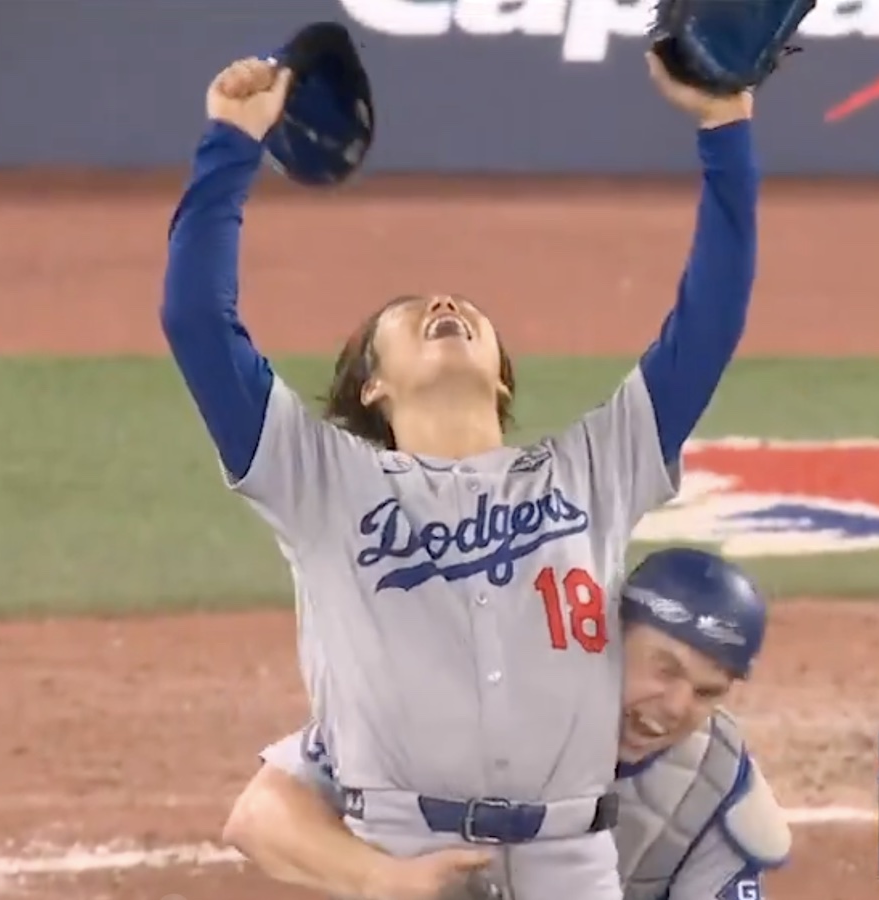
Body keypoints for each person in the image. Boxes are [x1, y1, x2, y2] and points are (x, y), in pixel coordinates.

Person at [160, 46, 760, 900]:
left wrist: (723, 126)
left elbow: (713, 314)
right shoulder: (318, 481)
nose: (444, 305)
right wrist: (230, 144)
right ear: (373, 383)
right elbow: (194, 318)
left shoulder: (602, 465)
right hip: (403, 850)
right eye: (410, 316)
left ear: (504, 378)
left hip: (574, 863)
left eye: (466, 314)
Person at [225, 548, 792, 900]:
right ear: (609, 634)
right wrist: (382, 880)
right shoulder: (459, 694)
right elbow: (259, 817)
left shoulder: (711, 782)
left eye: (706, 692)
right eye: (663, 668)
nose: (674, 706)